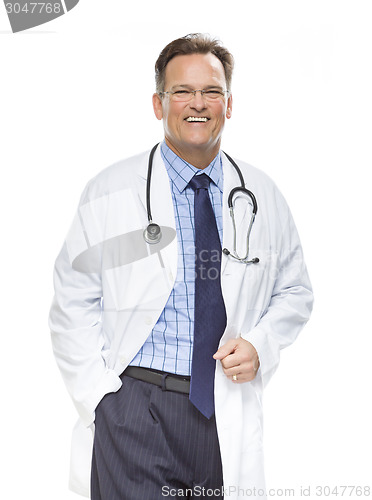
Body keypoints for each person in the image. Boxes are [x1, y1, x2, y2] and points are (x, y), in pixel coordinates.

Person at [49, 33, 313, 500]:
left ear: (228, 105)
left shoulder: (263, 195)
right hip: (133, 408)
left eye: (212, 92)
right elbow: (73, 299)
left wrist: (260, 343)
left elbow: (295, 291)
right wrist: (99, 398)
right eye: (182, 92)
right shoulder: (111, 190)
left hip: (219, 408)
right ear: (159, 103)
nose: (198, 104)